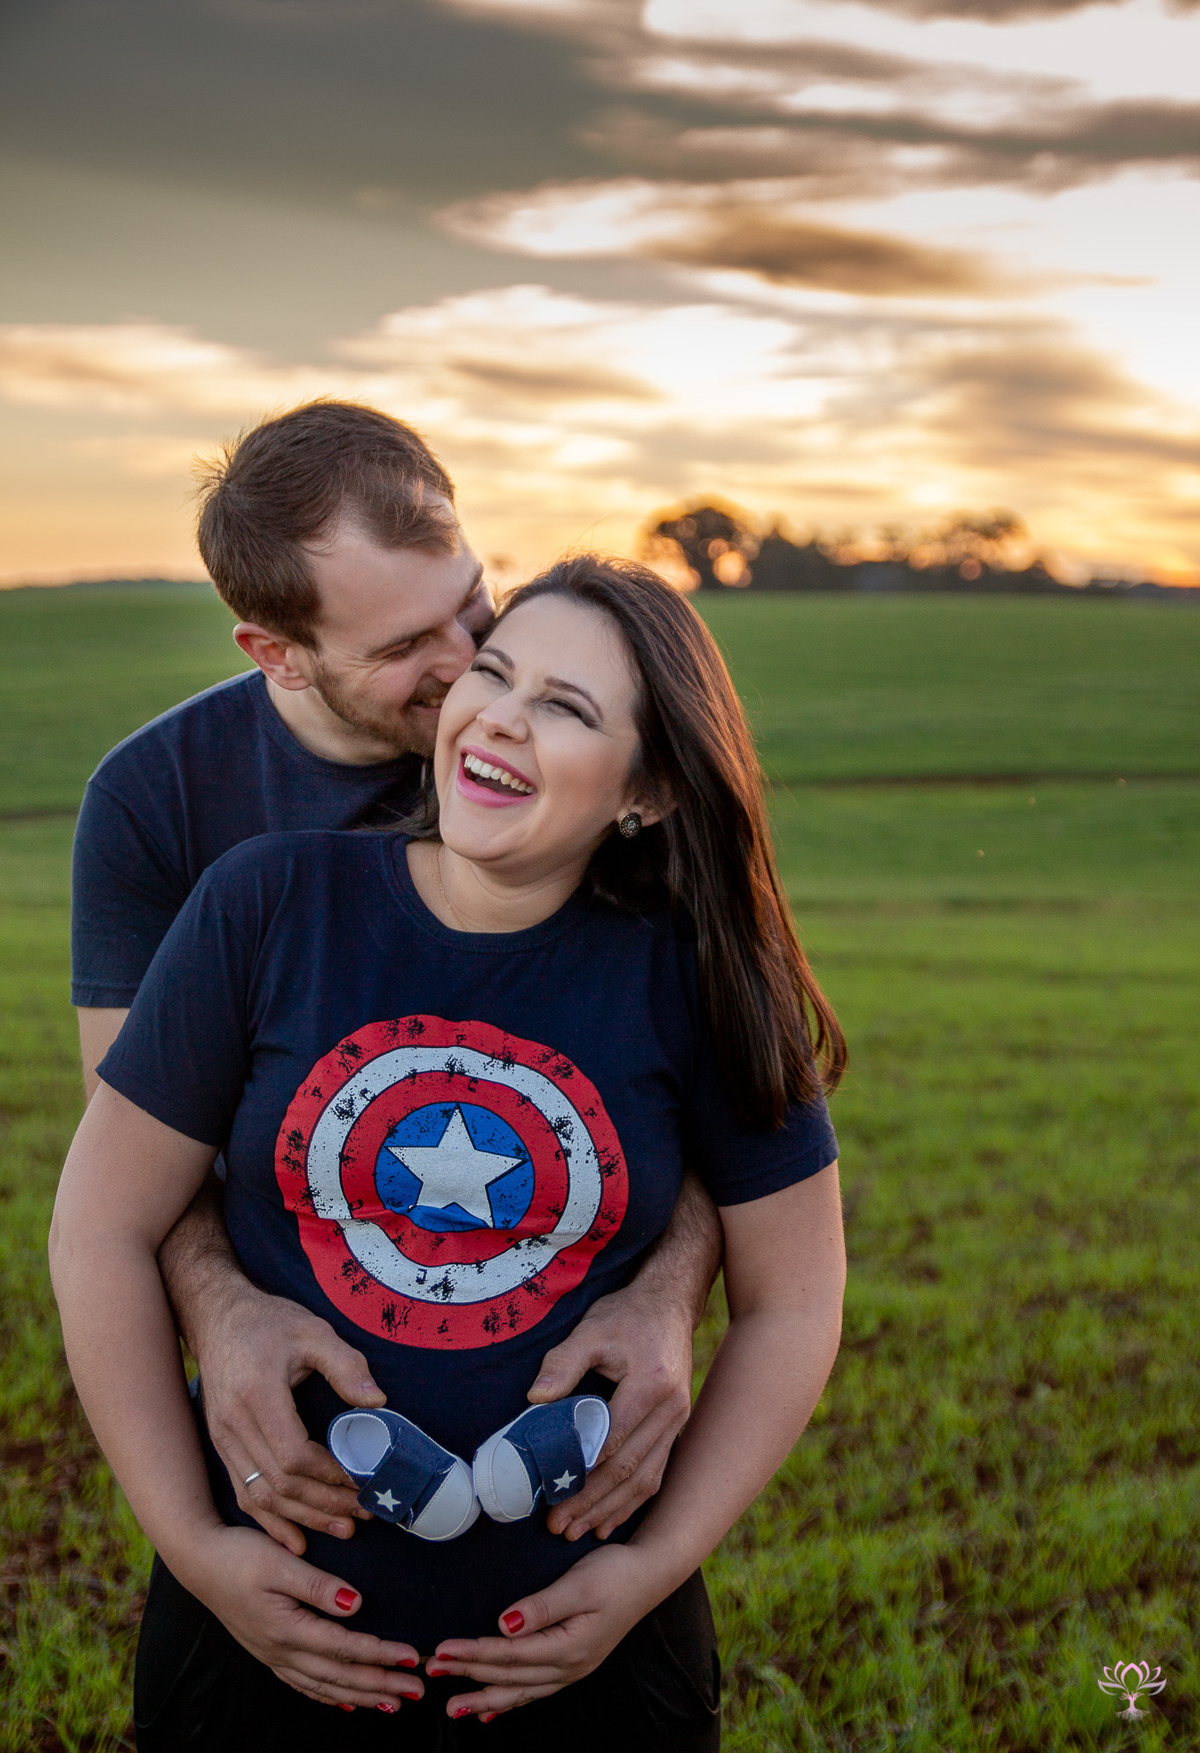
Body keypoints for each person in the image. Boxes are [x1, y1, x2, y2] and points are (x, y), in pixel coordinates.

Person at [51, 555, 847, 1750]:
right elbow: (100, 1227)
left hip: (587, 1650)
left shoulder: (698, 974)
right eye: (495, 671)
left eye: (568, 709)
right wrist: (197, 1547)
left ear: (652, 790)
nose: (501, 719)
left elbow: (795, 1302)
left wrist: (654, 1569)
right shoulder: (265, 904)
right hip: (268, 1635)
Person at [70, 402, 721, 1591]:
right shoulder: (158, 804)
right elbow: (132, 1169)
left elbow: (698, 1080)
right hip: (320, 1447)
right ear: (278, 654)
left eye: (472, 599)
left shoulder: (547, 766)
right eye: (406, 647)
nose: (470, 662)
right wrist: (226, 1315)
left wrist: (670, 1294)